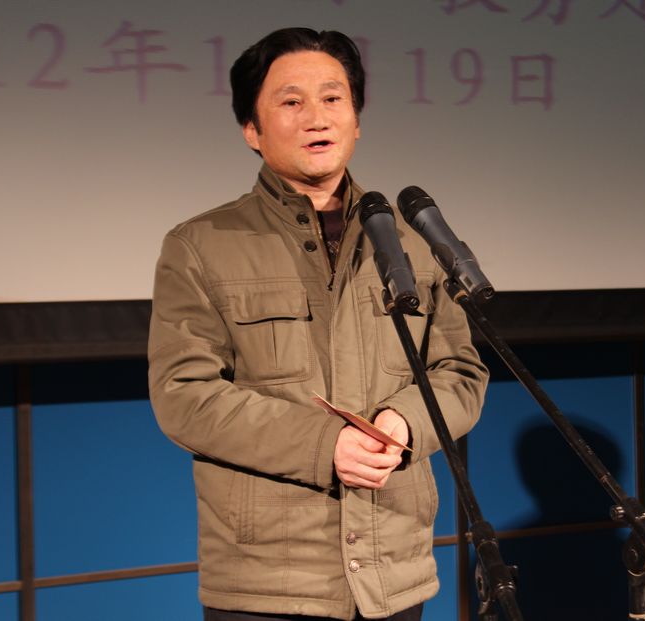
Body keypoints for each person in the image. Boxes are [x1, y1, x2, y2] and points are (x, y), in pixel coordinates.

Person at [148, 27, 488, 621]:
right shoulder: (200, 246)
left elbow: (460, 372)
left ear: (356, 121)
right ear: (251, 130)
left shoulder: (414, 242)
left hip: (392, 570)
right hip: (266, 579)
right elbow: (184, 395)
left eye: (333, 98)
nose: (317, 117)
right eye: (291, 101)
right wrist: (323, 444)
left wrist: (405, 423)